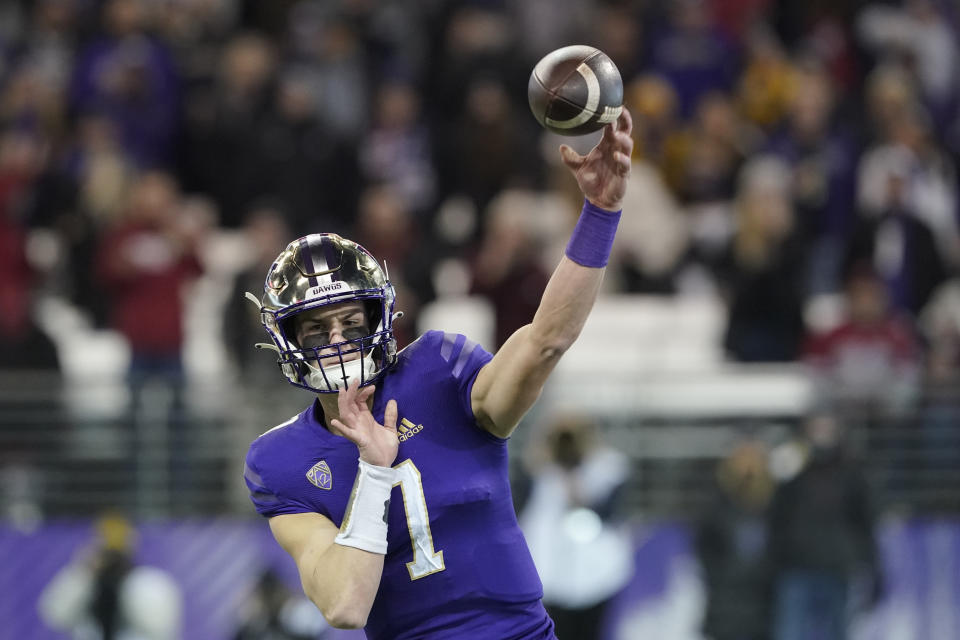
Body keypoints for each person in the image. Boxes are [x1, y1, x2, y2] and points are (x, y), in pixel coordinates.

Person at [242, 109, 634, 639]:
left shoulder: (440, 369)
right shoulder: (280, 459)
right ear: (288, 342)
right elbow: (345, 606)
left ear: (381, 319)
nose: (337, 340)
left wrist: (600, 214)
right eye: (315, 330)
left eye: (351, 321)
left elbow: (545, 342)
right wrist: (376, 473)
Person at [37, 512, 183, 640]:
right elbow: (55, 615)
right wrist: (83, 572)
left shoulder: (149, 582)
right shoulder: (85, 581)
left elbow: (158, 626)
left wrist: (125, 582)